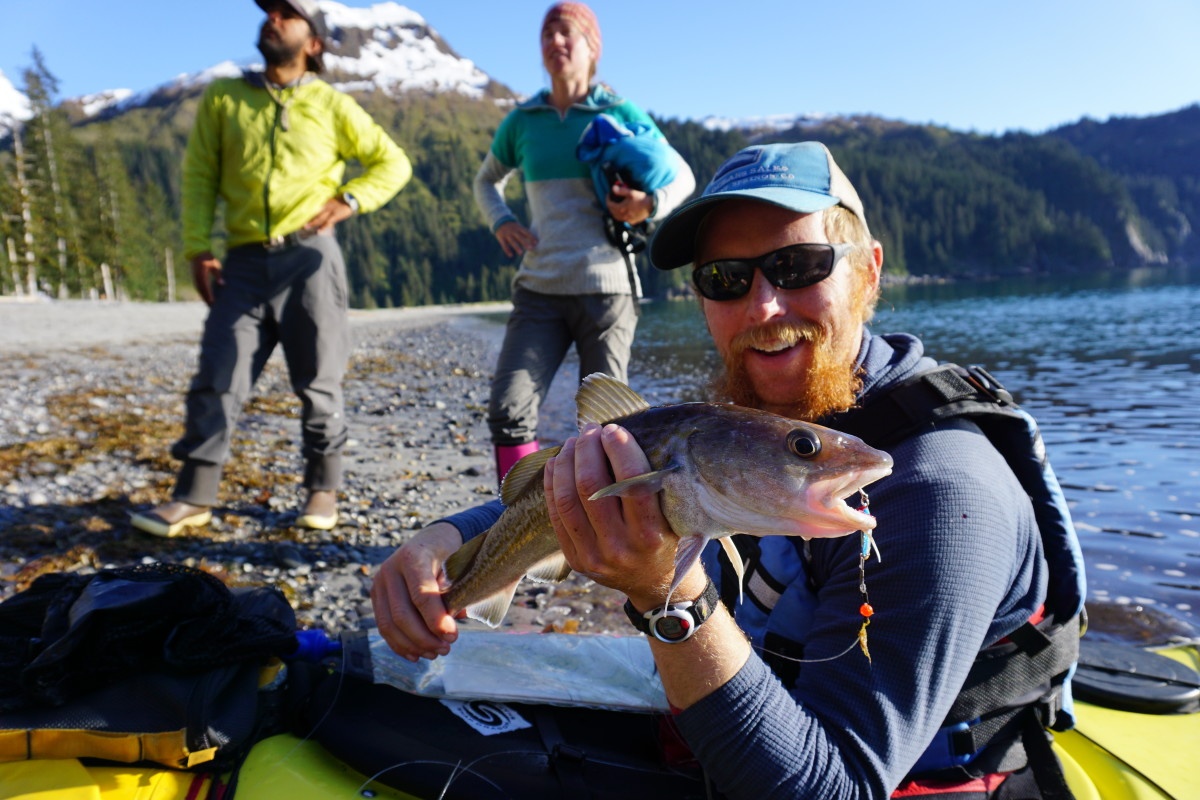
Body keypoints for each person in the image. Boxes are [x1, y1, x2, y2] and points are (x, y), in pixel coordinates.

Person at [372, 142, 1084, 799]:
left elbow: (831, 790)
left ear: (868, 271)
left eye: (799, 267)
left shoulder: (938, 494)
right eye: (725, 278)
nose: (763, 306)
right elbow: (580, 478)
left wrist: (668, 598)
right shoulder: (751, 425)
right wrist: (447, 541)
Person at [131, 0, 412, 538]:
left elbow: (392, 162)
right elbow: (199, 176)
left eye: (288, 13)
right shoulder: (224, 96)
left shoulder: (331, 104)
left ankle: (321, 489)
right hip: (241, 261)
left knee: (319, 381)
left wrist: (350, 200)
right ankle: (194, 496)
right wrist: (197, 248)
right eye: (270, 11)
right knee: (219, 373)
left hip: (310, 259)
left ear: (314, 42)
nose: (273, 18)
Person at [473, 2, 695, 483]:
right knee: (508, 410)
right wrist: (502, 221)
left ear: (591, 48)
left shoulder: (618, 112)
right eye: (547, 33)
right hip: (539, 289)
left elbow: (683, 176)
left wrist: (647, 203)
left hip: (607, 290)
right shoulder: (523, 120)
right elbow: (485, 181)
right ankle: (514, 529)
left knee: (609, 425)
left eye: (566, 32)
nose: (555, 41)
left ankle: (597, 540)